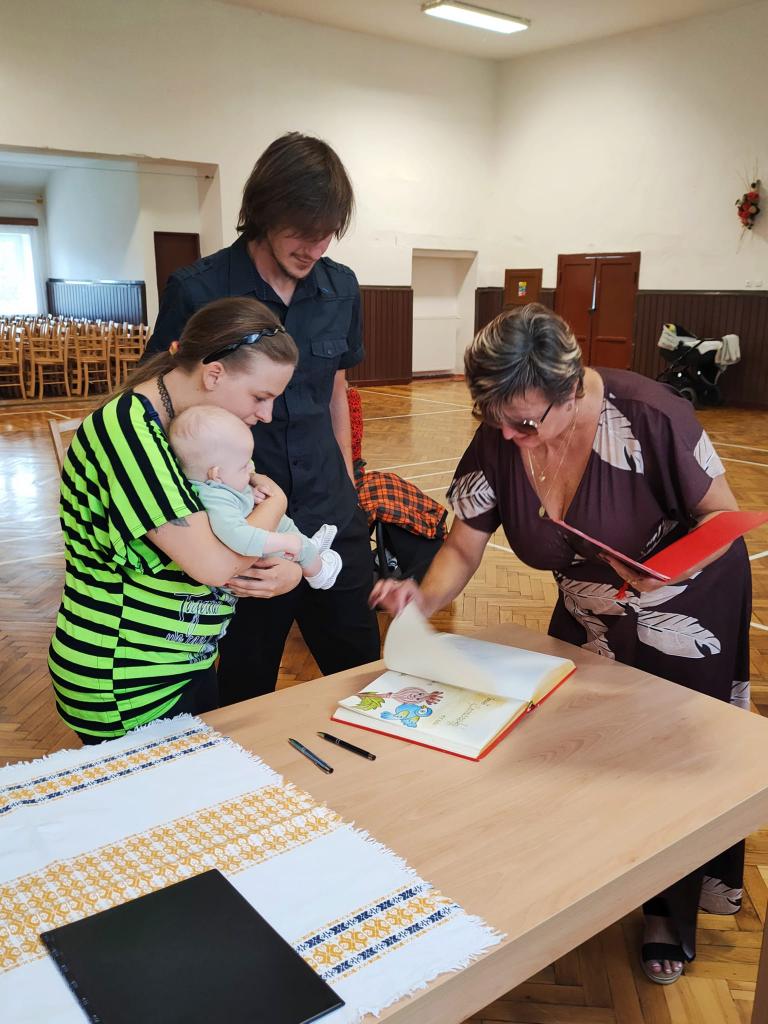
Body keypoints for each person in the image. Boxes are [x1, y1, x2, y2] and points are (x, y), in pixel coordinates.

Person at [371, 303, 752, 985]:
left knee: (667, 761)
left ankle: (667, 912)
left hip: (686, 603)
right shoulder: (503, 431)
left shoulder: (651, 415)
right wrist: (421, 601)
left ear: (571, 390)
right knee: (583, 747)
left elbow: (721, 516)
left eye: (525, 423)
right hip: (589, 611)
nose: (510, 437)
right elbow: (463, 545)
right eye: (495, 420)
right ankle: (596, 875)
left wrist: (672, 568)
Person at [145, 132, 380, 705]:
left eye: (328, 233)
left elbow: (337, 390)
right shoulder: (199, 289)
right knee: (246, 690)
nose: (315, 247)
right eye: (303, 230)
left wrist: (348, 482)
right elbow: (166, 405)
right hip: (240, 517)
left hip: (330, 510)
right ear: (264, 212)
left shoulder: (341, 288)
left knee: (365, 676)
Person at [48, 297, 303, 744]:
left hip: (182, 661)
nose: (265, 415)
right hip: (127, 679)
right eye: (260, 397)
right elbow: (216, 565)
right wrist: (278, 502)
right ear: (214, 373)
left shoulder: (198, 427)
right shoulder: (127, 431)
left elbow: (241, 524)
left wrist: (289, 571)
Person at [168, 405, 342, 590]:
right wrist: (288, 542)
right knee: (300, 544)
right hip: (255, 554)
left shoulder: (217, 485)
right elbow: (238, 535)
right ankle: (319, 573)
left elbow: (235, 502)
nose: (251, 469)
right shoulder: (215, 499)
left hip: (262, 543)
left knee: (287, 527)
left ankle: (309, 549)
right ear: (216, 474)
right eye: (244, 466)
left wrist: (250, 494)